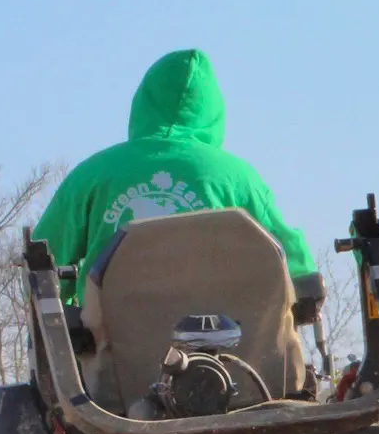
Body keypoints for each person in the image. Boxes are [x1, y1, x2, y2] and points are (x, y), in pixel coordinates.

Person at [33, 49, 316, 297]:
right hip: (226, 345)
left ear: (143, 102)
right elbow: (296, 266)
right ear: (215, 112)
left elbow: (44, 265)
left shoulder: (92, 175)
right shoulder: (239, 178)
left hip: (111, 346)